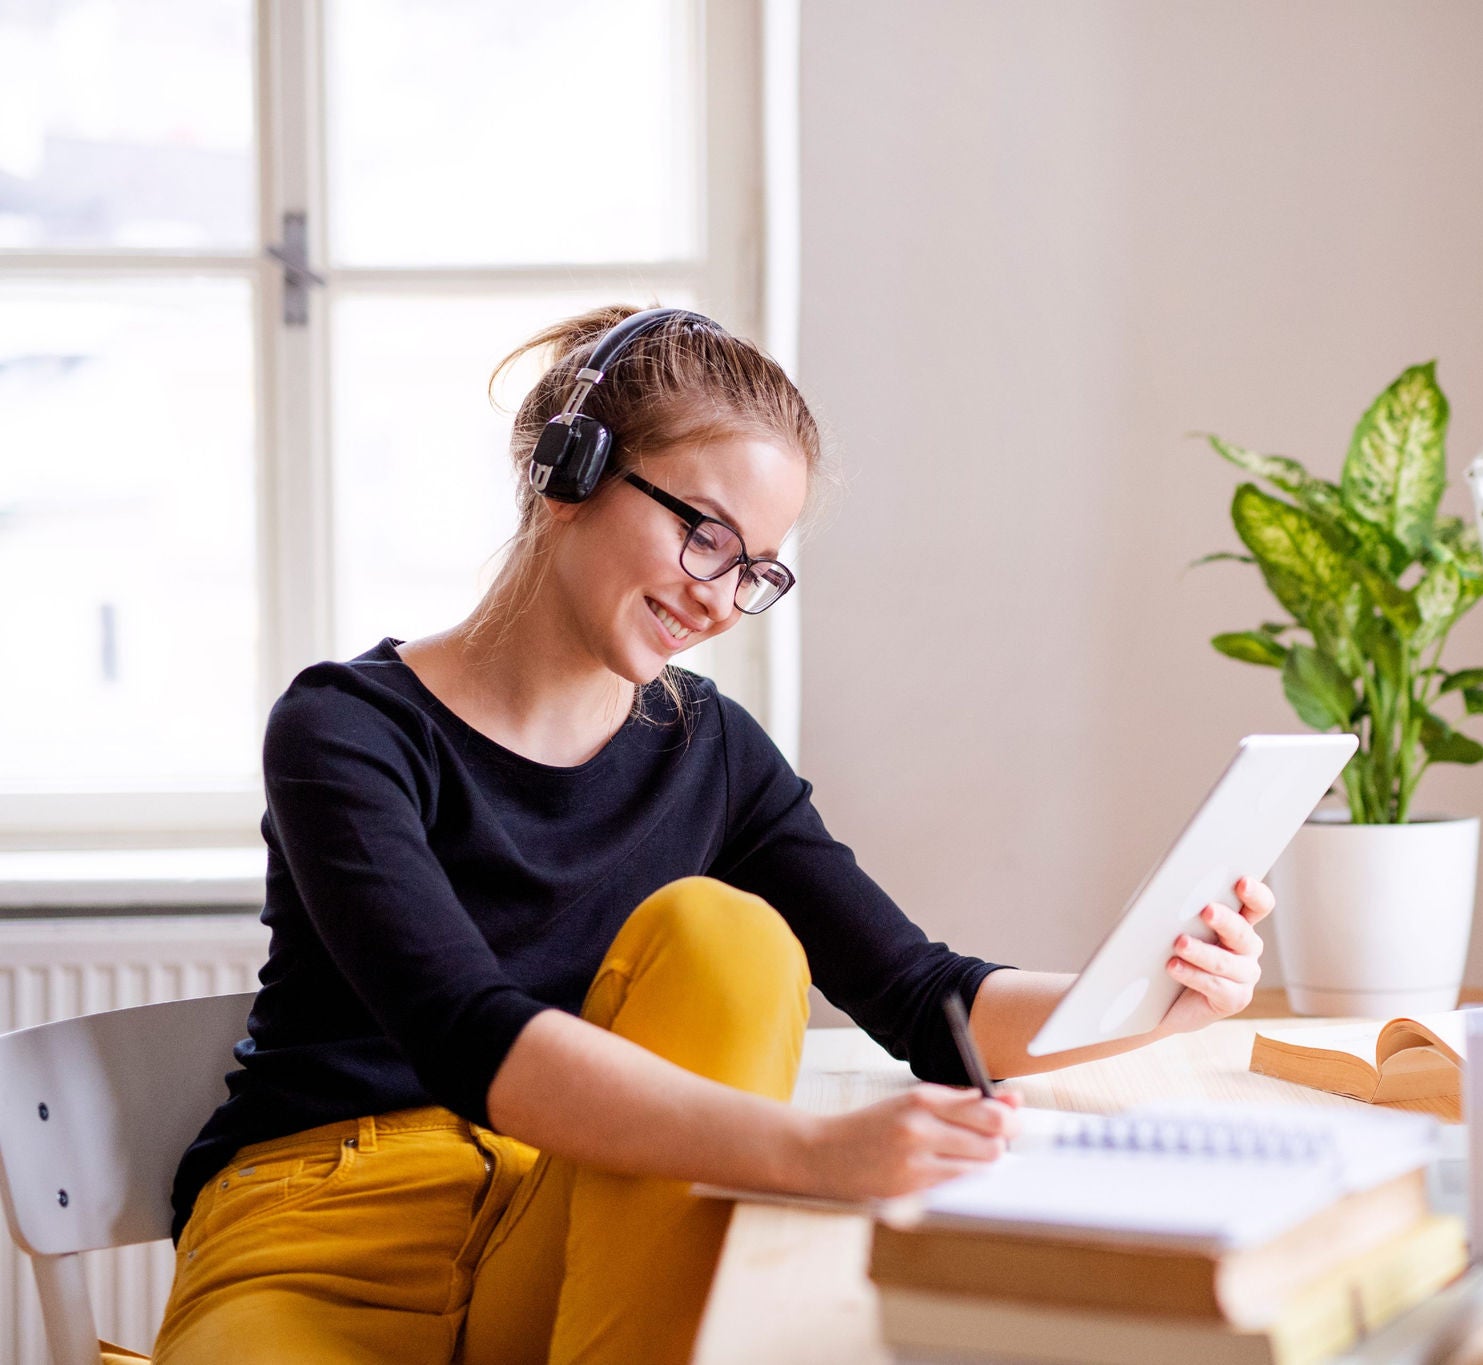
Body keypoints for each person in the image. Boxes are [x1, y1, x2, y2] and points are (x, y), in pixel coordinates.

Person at [140, 306, 1279, 1365]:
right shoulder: (348, 727)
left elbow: (926, 998)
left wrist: (1149, 992)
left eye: (755, 569)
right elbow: (465, 1030)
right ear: (567, 472)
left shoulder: (713, 753)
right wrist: (811, 1155)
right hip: (325, 1221)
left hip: (571, 1216)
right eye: (702, 535)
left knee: (721, 935)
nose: (721, 598)